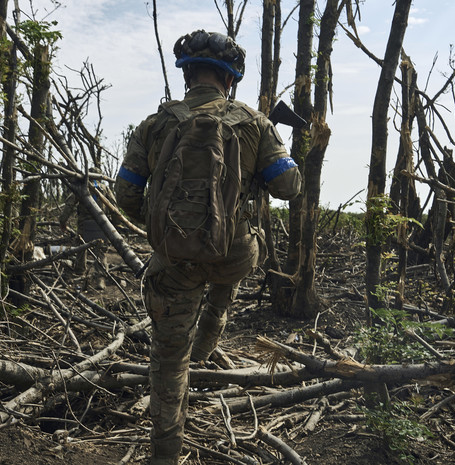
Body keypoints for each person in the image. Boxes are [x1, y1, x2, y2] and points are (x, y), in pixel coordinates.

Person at [115, 30, 301, 464]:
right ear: (230, 80)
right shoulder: (255, 122)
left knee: (167, 359)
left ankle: (165, 452)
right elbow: (289, 186)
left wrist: (165, 230)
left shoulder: (155, 124)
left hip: (175, 262)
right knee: (224, 279)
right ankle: (206, 346)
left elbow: (125, 195)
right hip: (233, 256)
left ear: (187, 76)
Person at [59, 169, 117, 290]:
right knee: (100, 252)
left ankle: (79, 271)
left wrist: (63, 221)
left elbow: (69, 204)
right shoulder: (105, 188)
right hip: (102, 224)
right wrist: (115, 224)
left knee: (81, 247)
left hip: (84, 224)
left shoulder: (81, 187)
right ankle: (100, 279)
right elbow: (113, 206)